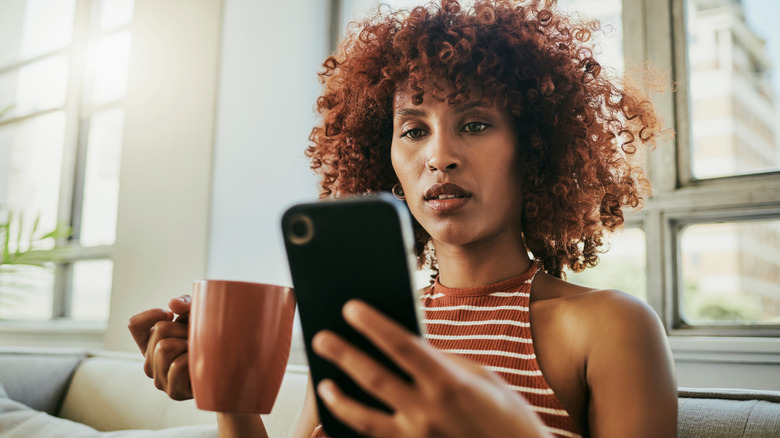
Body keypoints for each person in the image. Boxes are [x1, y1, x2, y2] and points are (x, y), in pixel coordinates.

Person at [129, 0, 677, 437]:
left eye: (476, 123)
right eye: (414, 130)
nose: (439, 155)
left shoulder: (611, 328)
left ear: (533, 148)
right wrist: (231, 398)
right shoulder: (362, 328)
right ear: (385, 159)